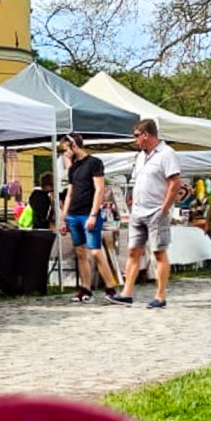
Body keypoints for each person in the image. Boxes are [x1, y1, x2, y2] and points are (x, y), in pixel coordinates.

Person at [115, 119, 181, 309]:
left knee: (159, 252)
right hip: (138, 211)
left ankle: (160, 296)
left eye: (137, 136)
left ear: (146, 135)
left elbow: (175, 182)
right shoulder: (140, 157)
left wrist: (164, 208)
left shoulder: (166, 154)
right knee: (133, 251)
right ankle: (127, 293)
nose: (135, 141)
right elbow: (138, 181)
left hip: (155, 210)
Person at [57, 133, 120, 303]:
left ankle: (110, 288)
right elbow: (70, 192)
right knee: (80, 252)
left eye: (66, 150)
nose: (65, 154)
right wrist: (64, 217)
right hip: (73, 215)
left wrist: (93, 214)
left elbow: (99, 189)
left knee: (96, 251)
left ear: (74, 146)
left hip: (88, 214)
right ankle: (85, 288)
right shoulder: (73, 168)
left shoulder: (94, 163)